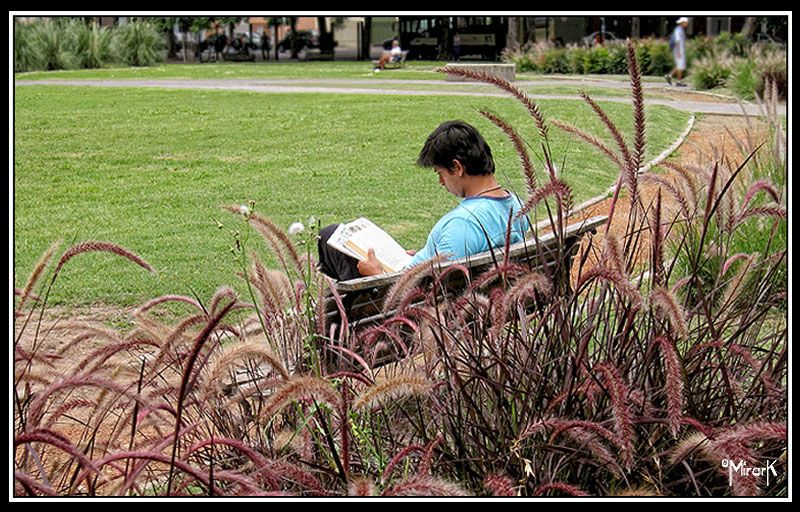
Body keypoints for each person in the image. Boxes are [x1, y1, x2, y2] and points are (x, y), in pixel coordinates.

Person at [318, 120, 531, 281]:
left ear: (457, 168)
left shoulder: (462, 224)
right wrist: (421, 256)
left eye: (440, 173)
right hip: (420, 277)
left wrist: (377, 274)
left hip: (400, 304)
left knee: (329, 237)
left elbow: (431, 293)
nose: (440, 181)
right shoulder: (517, 206)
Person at [665, 17, 689, 87]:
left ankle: (669, 76)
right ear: (682, 23)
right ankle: (678, 81)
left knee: (679, 65)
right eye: (686, 23)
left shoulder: (680, 29)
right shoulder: (678, 30)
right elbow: (677, 41)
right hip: (678, 50)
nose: (687, 24)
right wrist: (678, 52)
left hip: (680, 50)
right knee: (679, 66)